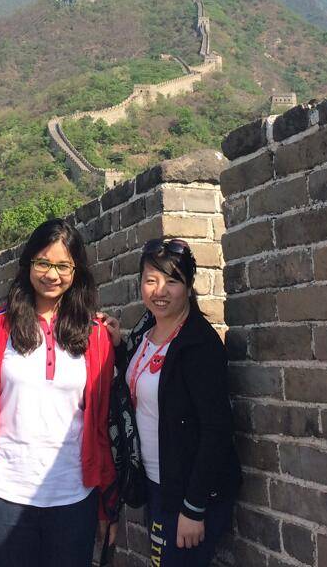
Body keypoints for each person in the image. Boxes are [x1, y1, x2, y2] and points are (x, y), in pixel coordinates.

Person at [0, 219, 116, 567]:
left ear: (77, 271)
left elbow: (98, 424)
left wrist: (105, 502)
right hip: (2, 491)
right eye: (43, 263)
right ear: (28, 265)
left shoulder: (96, 334)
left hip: (73, 494)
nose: (52, 274)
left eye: (63, 266)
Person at [108, 238, 240, 567]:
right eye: (151, 280)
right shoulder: (146, 331)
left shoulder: (198, 344)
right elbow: (146, 383)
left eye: (172, 280)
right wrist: (118, 346)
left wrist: (193, 508)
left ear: (189, 284)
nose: (160, 290)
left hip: (189, 494)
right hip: (157, 484)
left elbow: (217, 429)